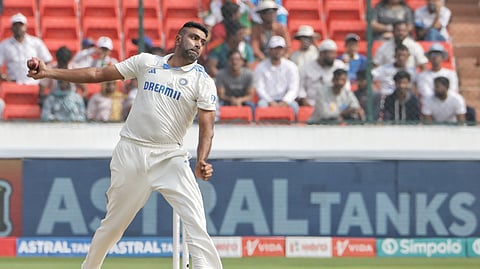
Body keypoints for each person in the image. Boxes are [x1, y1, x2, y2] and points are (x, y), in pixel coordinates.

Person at [28, 21, 223, 269]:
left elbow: (207, 128)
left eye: (202, 42)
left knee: (196, 220)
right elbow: (98, 75)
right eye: (194, 37)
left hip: (170, 156)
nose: (198, 44)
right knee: (113, 226)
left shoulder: (202, 81)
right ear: (178, 37)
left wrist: (202, 159)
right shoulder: (146, 62)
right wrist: (48, 72)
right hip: (131, 151)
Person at [0, 13, 53, 84]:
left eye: (21, 25)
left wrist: (41, 79)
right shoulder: (4, 45)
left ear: (25, 26)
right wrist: (3, 76)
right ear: (12, 27)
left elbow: (47, 61)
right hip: (13, 84)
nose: (18, 27)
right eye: (16, 25)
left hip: (34, 83)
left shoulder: (36, 42)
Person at [253, 35, 299, 115]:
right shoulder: (260, 67)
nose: (277, 51)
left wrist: (285, 101)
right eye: (275, 48)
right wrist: (270, 101)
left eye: (280, 48)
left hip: (285, 99)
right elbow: (260, 88)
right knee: (261, 106)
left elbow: (293, 88)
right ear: (269, 50)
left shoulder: (291, 67)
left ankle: (294, 126)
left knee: (294, 107)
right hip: (267, 100)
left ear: (284, 50)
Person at [297, 39, 348, 106]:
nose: (334, 56)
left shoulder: (339, 66)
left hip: (334, 103)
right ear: (322, 54)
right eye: (331, 53)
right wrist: (303, 99)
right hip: (311, 103)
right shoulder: (306, 67)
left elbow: (346, 87)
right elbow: (300, 87)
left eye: (334, 53)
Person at [215, 50, 256, 117]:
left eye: (237, 60)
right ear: (227, 61)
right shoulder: (221, 74)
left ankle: (254, 124)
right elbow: (221, 95)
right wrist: (231, 100)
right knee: (216, 106)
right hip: (226, 100)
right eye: (232, 60)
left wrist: (239, 100)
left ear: (242, 62)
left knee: (253, 106)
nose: (234, 62)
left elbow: (250, 95)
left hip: (244, 101)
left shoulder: (249, 74)